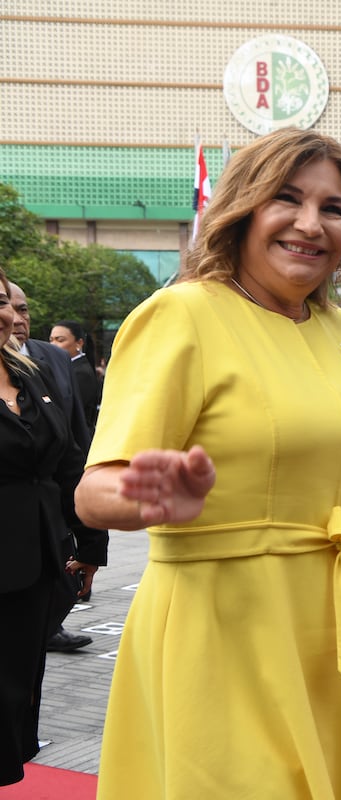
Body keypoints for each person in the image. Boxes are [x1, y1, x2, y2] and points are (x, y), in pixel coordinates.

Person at [73, 127, 341, 798]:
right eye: (286, 199)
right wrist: (152, 497)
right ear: (242, 208)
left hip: (335, 630)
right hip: (223, 629)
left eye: (333, 209)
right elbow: (94, 490)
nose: (311, 225)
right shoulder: (182, 315)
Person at [0, 267, 97, 785]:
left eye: (7, 303)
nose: (9, 315)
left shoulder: (30, 373)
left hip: (37, 562)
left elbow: (69, 462)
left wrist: (91, 544)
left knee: (16, 699)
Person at [7, 282, 103, 651]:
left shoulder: (42, 366)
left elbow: (70, 450)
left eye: (20, 308)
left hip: (44, 548)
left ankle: (51, 629)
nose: (14, 318)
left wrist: (93, 540)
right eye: (3, 304)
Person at [49, 319, 101, 428]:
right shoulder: (67, 367)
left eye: (60, 340)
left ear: (79, 343)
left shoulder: (81, 373)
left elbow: (71, 411)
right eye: (51, 340)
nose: (53, 345)